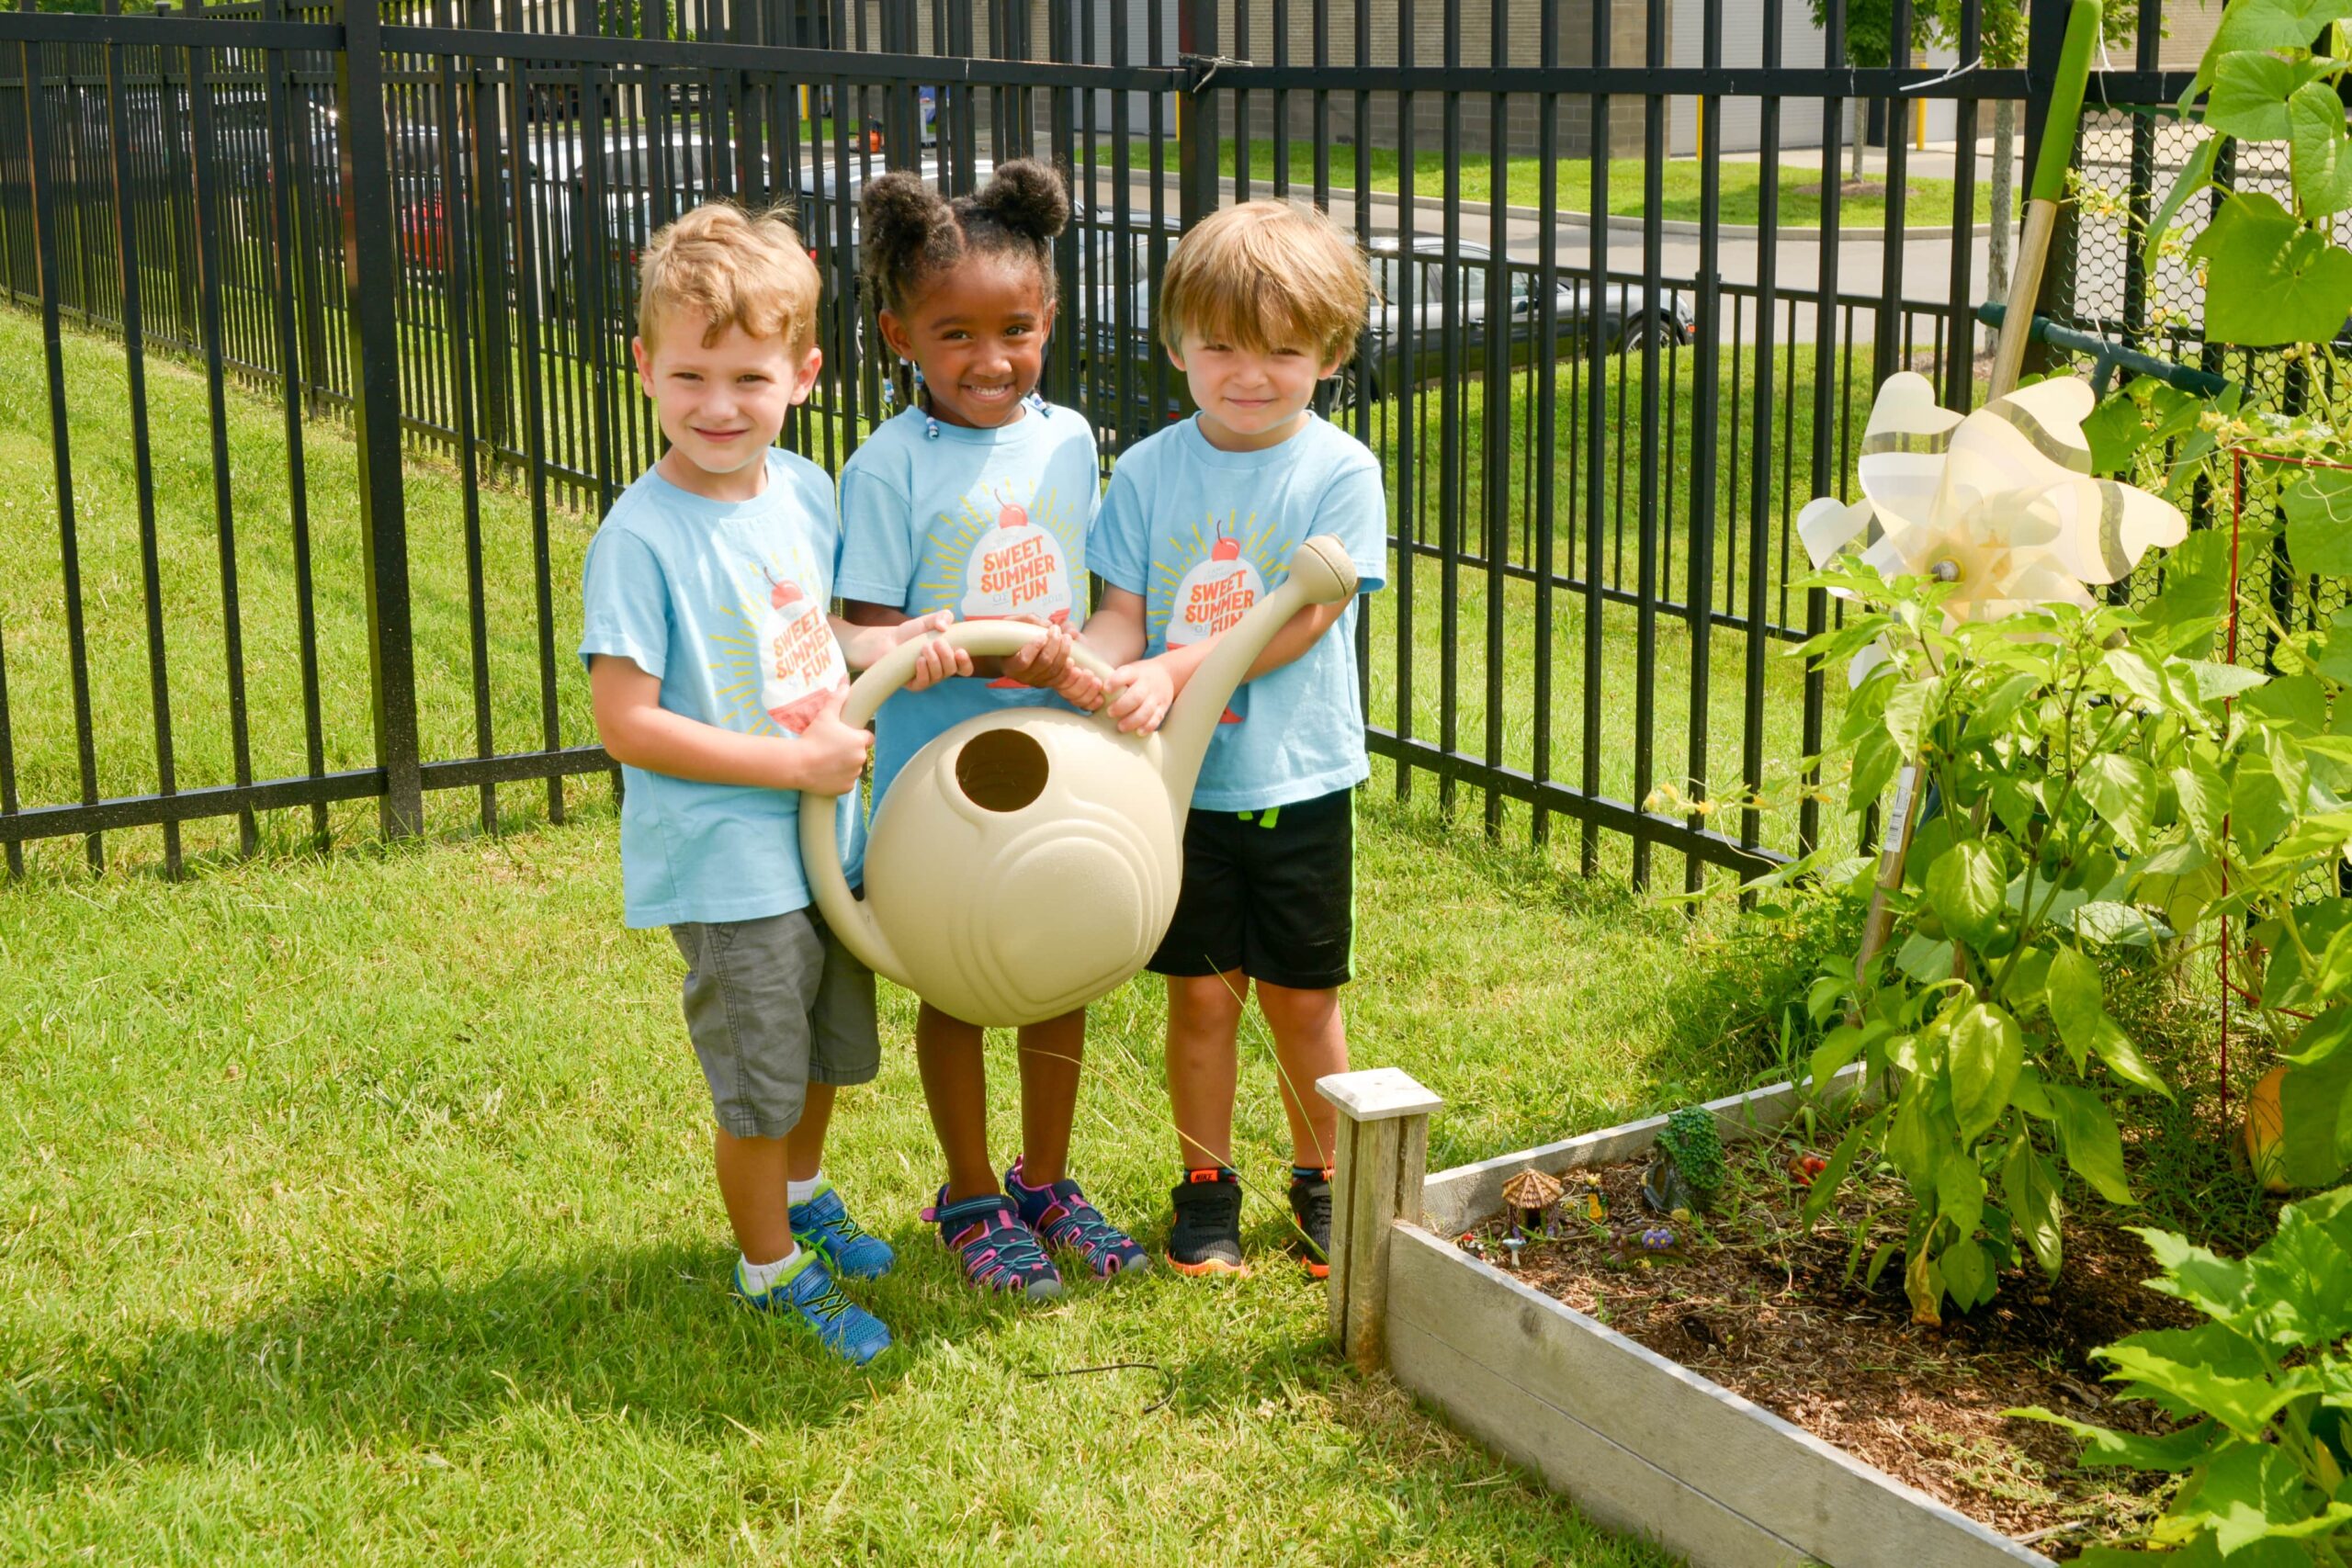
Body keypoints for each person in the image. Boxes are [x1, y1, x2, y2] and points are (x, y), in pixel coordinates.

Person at [579, 202, 971, 1363]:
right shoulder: (640, 538)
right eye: (689, 373)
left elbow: (815, 640)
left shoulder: (801, 489)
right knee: (758, 1080)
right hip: (729, 859)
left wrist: (897, 646)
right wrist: (792, 765)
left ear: (801, 374)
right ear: (644, 366)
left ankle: (803, 1199)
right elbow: (626, 722)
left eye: (747, 377)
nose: (716, 405)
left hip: (820, 843)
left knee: (822, 1049)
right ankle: (767, 1271)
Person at [835, 160, 1147, 1300]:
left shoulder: (1069, 439)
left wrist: (1087, 664)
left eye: (1016, 329)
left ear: (1050, 319)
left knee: (1057, 963)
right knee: (961, 984)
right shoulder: (884, 468)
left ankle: (1046, 1179)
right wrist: (932, 640)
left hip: (1063, 760)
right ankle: (969, 1195)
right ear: (897, 334)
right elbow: (859, 632)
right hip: (943, 784)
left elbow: (1094, 595)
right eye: (954, 332)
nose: (990, 358)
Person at [1083, 199, 1385, 1278]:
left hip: (1299, 783)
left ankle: (1323, 1179)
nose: (1246, 375)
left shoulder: (1339, 470)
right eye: (1219, 347)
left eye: (1282, 351)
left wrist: (1172, 669)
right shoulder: (1149, 472)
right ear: (1176, 344)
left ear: (1332, 353)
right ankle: (1206, 1185)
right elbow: (1121, 608)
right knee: (1201, 1001)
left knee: (1306, 1006)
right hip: (1180, 793)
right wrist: (1103, 660)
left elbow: (1305, 617)